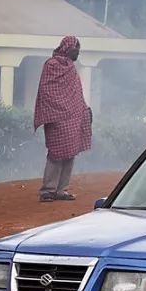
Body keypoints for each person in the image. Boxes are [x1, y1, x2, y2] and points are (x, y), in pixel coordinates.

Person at [34, 36, 93, 202]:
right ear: (67, 48)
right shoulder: (51, 65)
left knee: (70, 153)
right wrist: (58, 110)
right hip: (56, 117)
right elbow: (46, 91)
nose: (77, 54)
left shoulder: (72, 68)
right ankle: (47, 190)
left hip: (73, 117)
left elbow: (76, 93)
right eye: (76, 50)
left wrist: (85, 110)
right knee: (55, 153)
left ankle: (62, 190)